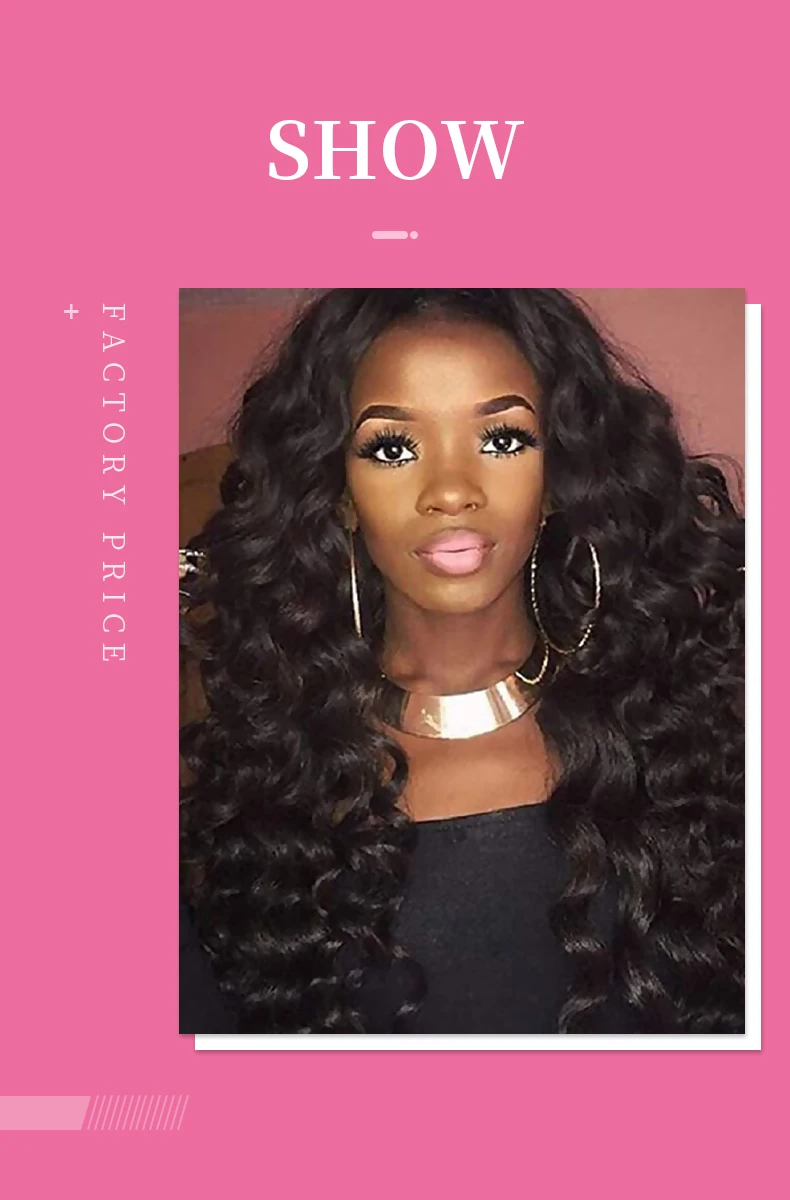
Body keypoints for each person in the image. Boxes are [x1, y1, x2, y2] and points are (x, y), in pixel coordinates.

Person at [179, 288, 745, 1035]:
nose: (450, 492)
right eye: (392, 448)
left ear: (560, 477)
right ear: (338, 493)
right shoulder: (271, 773)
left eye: (503, 439)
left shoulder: (684, 737)